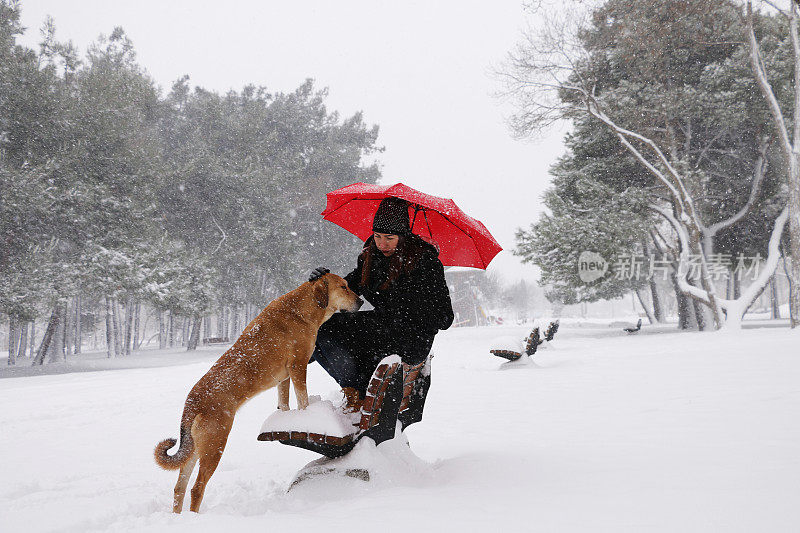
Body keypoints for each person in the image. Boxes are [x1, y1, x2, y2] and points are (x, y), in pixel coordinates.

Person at [309, 197, 454, 412]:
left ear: (403, 237)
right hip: (381, 327)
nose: (382, 243)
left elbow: (445, 318)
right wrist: (323, 281)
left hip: (412, 336)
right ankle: (354, 391)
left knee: (340, 335)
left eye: (389, 238)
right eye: (377, 236)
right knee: (319, 328)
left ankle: (358, 391)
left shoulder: (425, 262)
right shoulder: (371, 258)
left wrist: (409, 302)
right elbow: (347, 290)